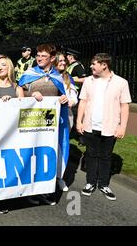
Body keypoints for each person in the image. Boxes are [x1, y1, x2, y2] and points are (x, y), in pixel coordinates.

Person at [19, 44, 69, 206]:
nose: (39, 58)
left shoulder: (58, 76)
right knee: (30, 153)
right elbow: (19, 91)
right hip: (30, 120)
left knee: (46, 155)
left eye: (43, 56)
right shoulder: (30, 73)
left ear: (52, 58)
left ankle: (44, 190)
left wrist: (64, 98)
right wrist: (30, 93)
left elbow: (66, 94)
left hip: (50, 123)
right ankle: (28, 189)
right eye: (38, 55)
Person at [77, 53, 131, 201]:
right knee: (91, 154)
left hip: (110, 127)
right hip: (90, 125)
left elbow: (124, 106)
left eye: (94, 64)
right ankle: (90, 183)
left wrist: (122, 127)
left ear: (104, 65)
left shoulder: (121, 82)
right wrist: (79, 121)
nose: (91, 66)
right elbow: (83, 101)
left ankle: (104, 184)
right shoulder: (88, 81)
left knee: (106, 156)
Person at [55, 52, 79, 191]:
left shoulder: (68, 78)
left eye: (65, 61)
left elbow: (74, 96)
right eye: (61, 61)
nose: (64, 63)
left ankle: (60, 177)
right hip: (49, 117)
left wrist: (71, 102)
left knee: (63, 145)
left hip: (66, 115)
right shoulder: (46, 77)